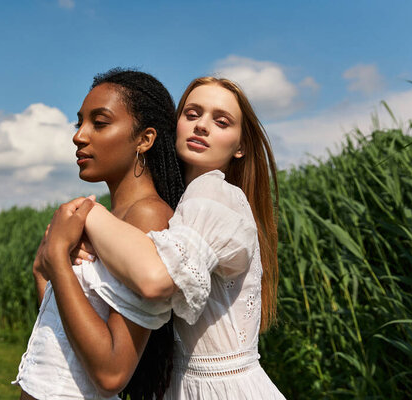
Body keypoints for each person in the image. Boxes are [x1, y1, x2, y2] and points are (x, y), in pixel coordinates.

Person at [65, 77, 285, 399]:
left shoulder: (213, 194)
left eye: (221, 121)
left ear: (241, 147)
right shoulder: (184, 205)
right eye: (192, 114)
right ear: (176, 126)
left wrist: (85, 213)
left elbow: (157, 279)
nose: (202, 126)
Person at [12, 69, 184, 400]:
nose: (79, 136)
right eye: (80, 123)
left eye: (99, 123)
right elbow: (64, 333)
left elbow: (111, 372)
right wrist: (44, 267)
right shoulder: (106, 217)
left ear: (144, 139)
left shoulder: (146, 215)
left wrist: (57, 262)